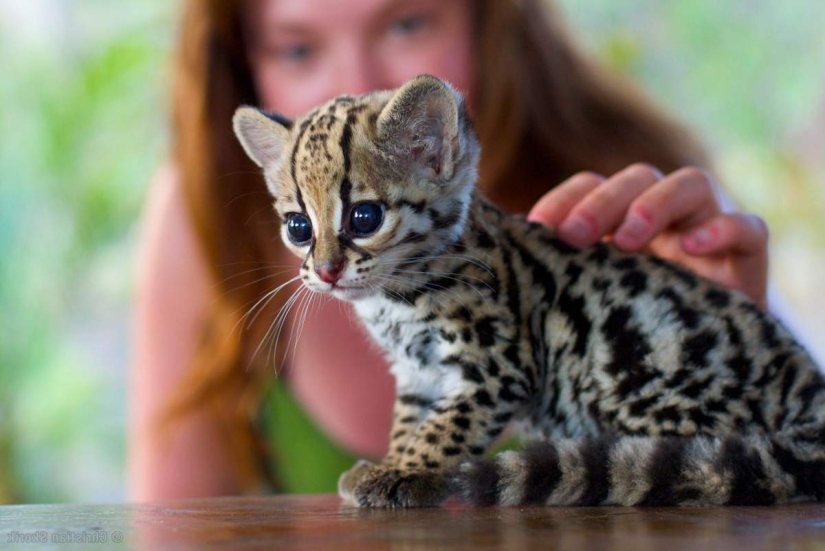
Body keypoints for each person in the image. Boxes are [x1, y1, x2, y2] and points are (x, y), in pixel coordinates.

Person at [128, 0, 771, 501]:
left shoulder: (640, 189)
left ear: (489, 17)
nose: (357, 84)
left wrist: (722, 340)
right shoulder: (206, 218)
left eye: (407, 22)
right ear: (244, 59)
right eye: (298, 48)